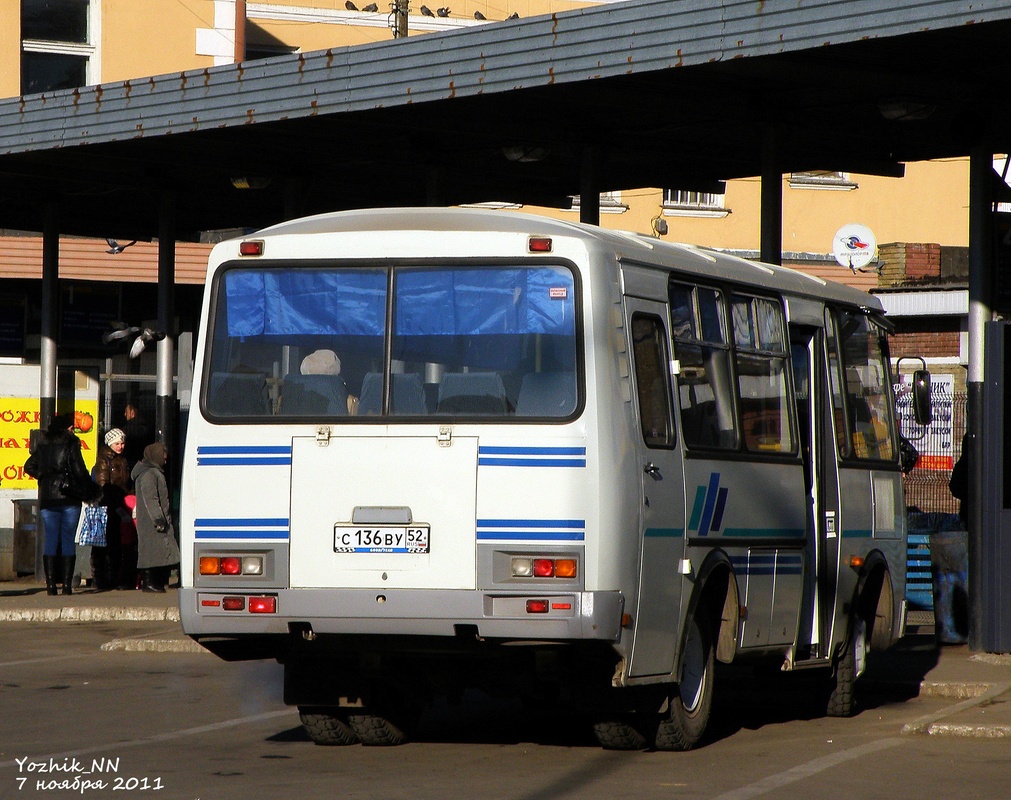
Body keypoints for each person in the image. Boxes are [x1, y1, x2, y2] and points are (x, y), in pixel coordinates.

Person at [23, 412, 100, 596]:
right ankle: (66, 586)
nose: (73, 429)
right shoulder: (71, 444)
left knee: (50, 539)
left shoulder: (42, 445)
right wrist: (90, 490)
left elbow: (28, 466)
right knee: (67, 539)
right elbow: (79, 470)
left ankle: (50, 586)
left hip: (48, 499)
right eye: (71, 427)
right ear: (66, 428)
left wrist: (44, 477)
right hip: (69, 498)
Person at [131, 442, 179, 593]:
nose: (165, 460)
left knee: (156, 551)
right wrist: (159, 519)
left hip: (151, 520)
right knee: (151, 551)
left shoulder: (150, 472)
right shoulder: (149, 474)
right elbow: (151, 499)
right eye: (163, 457)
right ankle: (149, 582)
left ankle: (153, 581)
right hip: (152, 521)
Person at [93, 428, 135, 591]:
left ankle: (113, 577)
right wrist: (116, 506)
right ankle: (103, 579)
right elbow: (104, 485)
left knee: (117, 544)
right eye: (117, 443)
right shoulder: (104, 460)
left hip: (121, 504)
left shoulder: (122, 460)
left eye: (122, 443)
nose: (120, 446)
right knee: (106, 544)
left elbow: (126, 484)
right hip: (109, 506)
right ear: (110, 443)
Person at [120, 401, 152, 471]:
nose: (125, 414)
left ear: (132, 413)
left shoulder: (128, 428)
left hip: (130, 461)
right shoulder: (147, 427)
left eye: (126, 411)